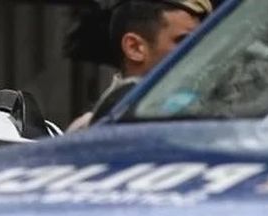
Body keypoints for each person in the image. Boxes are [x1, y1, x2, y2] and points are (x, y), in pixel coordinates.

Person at [67, 0, 212, 131]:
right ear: (134, 47)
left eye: (201, 42)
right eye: (183, 41)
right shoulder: (91, 131)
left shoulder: (213, 112)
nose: (197, 52)